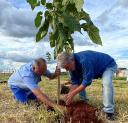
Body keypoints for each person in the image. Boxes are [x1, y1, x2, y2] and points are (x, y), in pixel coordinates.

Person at [57, 50, 117, 120]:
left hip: (108, 65)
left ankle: (109, 112)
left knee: (106, 82)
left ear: (72, 60)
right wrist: (69, 95)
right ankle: (83, 100)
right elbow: (75, 83)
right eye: (65, 68)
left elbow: (86, 82)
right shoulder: (72, 67)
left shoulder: (84, 60)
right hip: (96, 69)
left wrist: (73, 93)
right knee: (79, 81)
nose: (67, 70)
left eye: (67, 67)